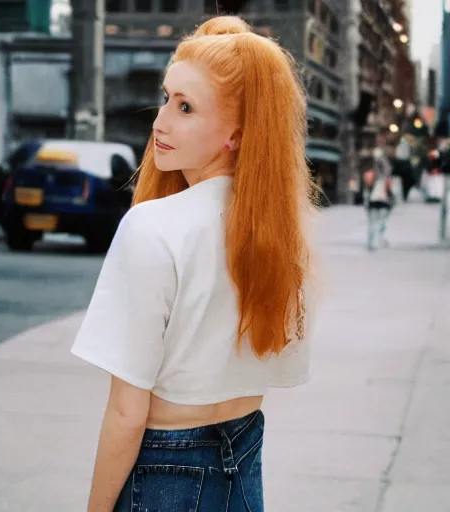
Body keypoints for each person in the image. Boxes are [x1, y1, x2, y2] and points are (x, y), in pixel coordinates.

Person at [71, 15, 318, 512]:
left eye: (185, 107)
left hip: (168, 467)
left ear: (235, 135)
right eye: (166, 98)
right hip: (243, 455)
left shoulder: (153, 226)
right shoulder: (280, 234)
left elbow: (126, 411)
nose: (160, 122)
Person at [364, 146, 394, 251]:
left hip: (374, 202)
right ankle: (376, 242)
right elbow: (390, 192)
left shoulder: (371, 176)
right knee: (380, 223)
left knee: (373, 223)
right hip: (382, 202)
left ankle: (372, 243)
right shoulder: (386, 179)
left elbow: (367, 189)